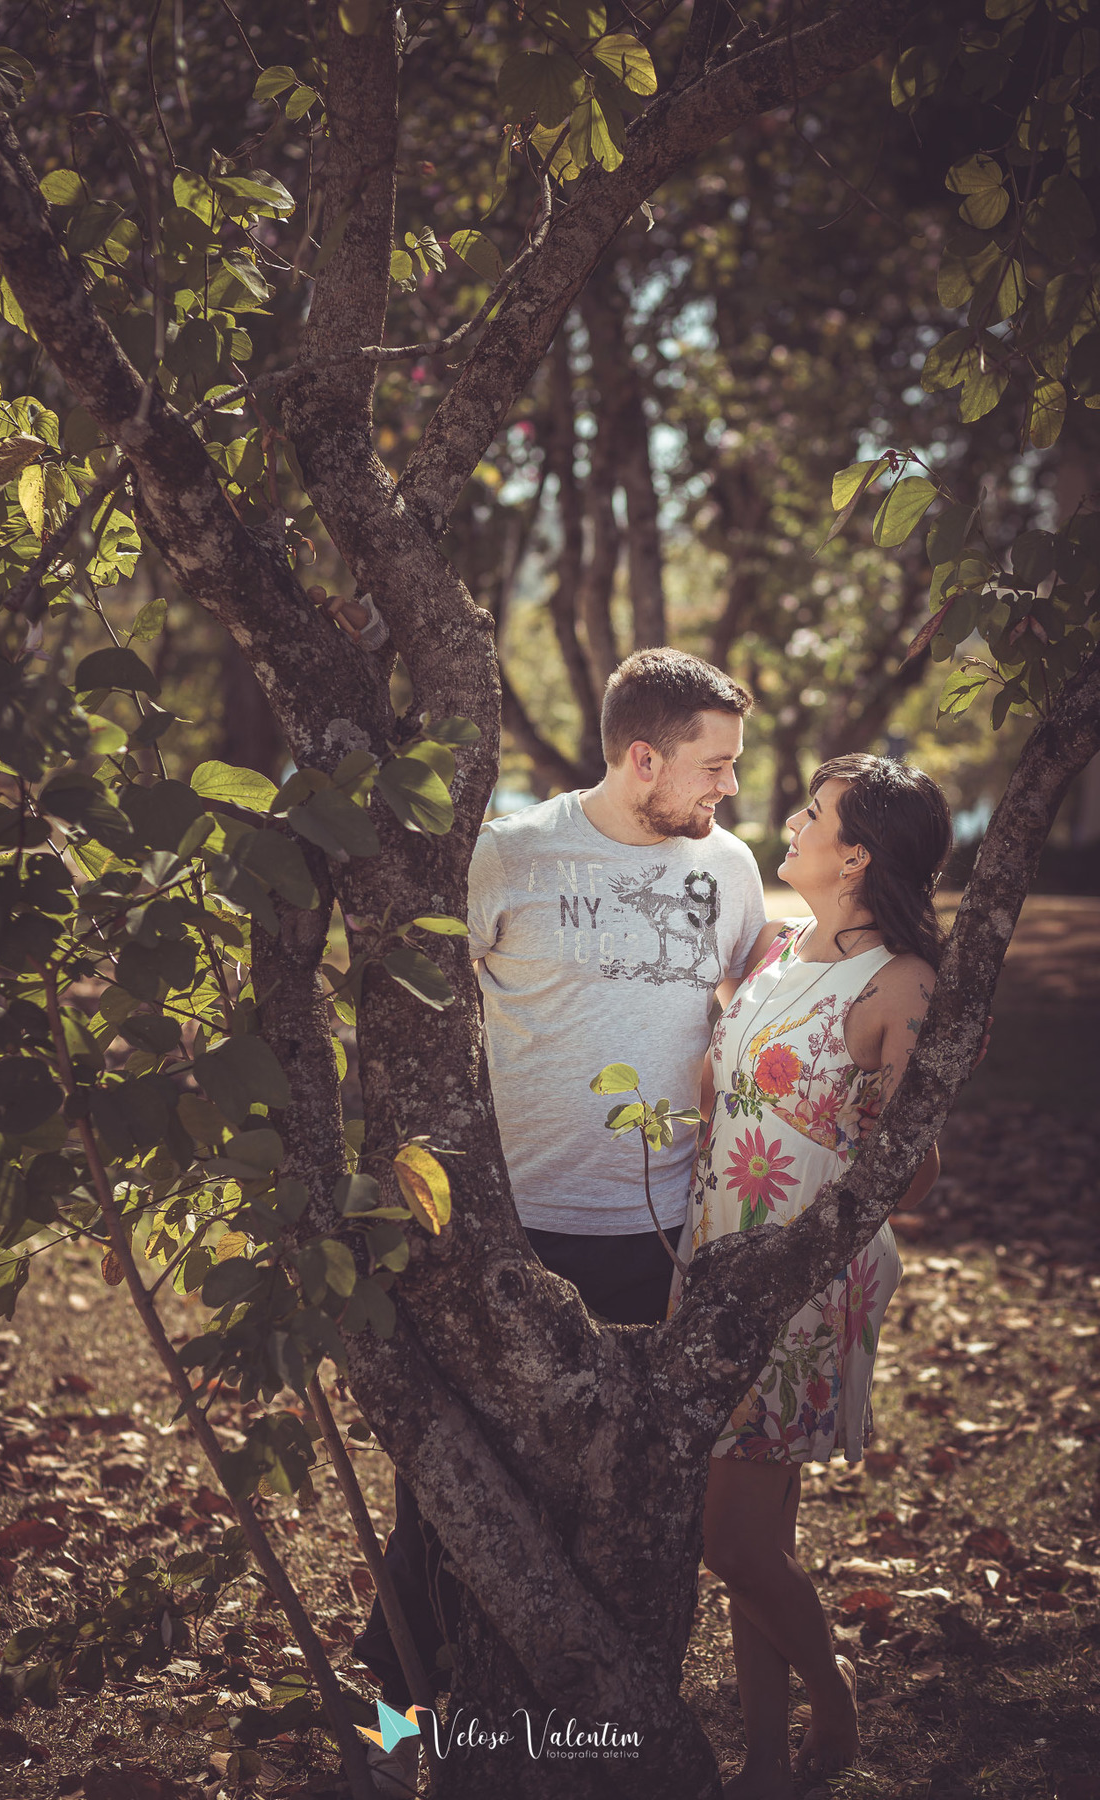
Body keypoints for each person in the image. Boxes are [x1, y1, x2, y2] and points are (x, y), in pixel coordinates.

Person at [355, 648, 768, 1786]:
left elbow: (771, 992)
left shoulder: (728, 866)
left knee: (621, 1514)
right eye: (715, 765)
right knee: (448, 1505)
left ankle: (575, 1745)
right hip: (509, 1237)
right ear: (643, 759)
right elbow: (407, 998)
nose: (731, 786)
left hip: (658, 1238)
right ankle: (392, 1731)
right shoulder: (510, 855)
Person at [672, 753, 952, 1800]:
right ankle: (764, 1761)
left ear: (857, 854)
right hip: (716, 1254)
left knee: (733, 1543)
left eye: (812, 812)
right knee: (756, 1536)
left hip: (800, 1277)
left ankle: (832, 1703)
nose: (790, 823)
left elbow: (916, 1170)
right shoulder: (783, 949)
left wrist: (860, 1146)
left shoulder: (902, 985)